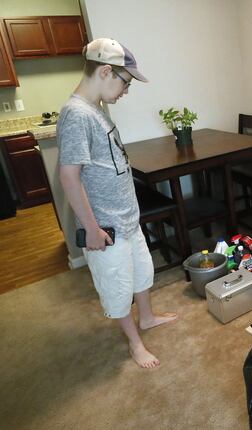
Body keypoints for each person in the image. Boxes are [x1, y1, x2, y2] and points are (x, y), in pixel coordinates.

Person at [57, 38, 177, 368]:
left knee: (140, 272)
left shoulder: (95, 111)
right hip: (105, 228)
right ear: (106, 71)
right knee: (117, 285)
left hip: (126, 218)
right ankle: (135, 343)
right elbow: (69, 177)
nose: (127, 90)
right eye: (126, 82)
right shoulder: (76, 115)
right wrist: (92, 229)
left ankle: (147, 317)